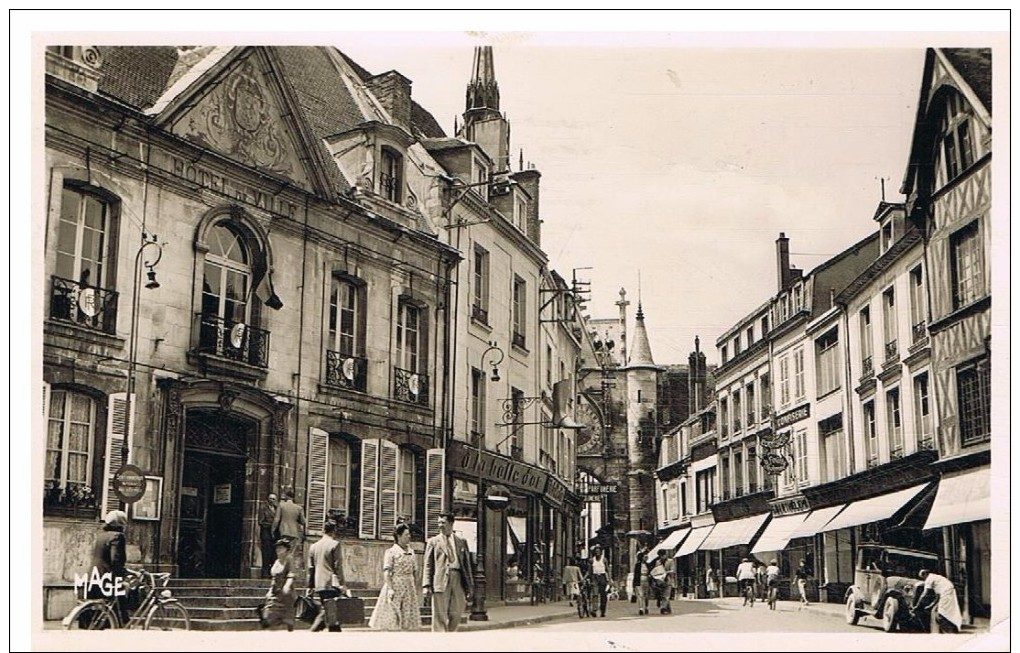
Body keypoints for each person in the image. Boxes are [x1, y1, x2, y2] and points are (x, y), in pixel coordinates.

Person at [421, 512, 474, 632]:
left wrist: (470, 586)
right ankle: (440, 639)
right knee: (440, 613)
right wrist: (426, 585)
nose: (440, 525)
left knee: (457, 611)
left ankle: (451, 634)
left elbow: (467, 564)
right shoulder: (433, 541)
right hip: (440, 579)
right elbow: (428, 564)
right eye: (439, 522)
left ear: (451, 523)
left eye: (443, 523)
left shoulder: (461, 541)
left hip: (458, 577)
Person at [369, 523, 421, 631]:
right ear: (399, 536)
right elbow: (387, 571)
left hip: (409, 585)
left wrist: (414, 585)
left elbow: (415, 570)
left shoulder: (411, 551)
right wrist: (390, 588)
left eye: (409, 534)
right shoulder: (391, 552)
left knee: (407, 612)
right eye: (406, 535)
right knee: (393, 612)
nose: (409, 537)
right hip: (396, 584)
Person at [85, 510, 129, 626]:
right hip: (107, 578)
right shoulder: (118, 536)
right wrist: (123, 574)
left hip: (93, 576)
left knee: (95, 614)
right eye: (124, 523)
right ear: (120, 524)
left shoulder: (100, 535)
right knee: (121, 608)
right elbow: (116, 560)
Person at [307, 520, 346, 632]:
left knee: (327, 607)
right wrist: (342, 584)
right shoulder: (335, 544)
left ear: (323, 530)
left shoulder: (313, 546)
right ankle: (324, 628)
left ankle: (326, 627)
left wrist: (310, 586)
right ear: (334, 531)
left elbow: (311, 569)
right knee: (329, 608)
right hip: (331, 582)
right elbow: (338, 566)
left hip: (319, 583)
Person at [912, 569, 962, 633]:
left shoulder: (929, 579)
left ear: (925, 574)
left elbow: (924, 594)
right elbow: (937, 596)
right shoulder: (936, 578)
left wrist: (917, 606)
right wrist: (931, 605)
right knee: (944, 613)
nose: (923, 580)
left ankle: (950, 632)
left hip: (946, 592)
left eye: (922, 578)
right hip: (947, 592)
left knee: (941, 614)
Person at [261, 539, 296, 631]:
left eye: (281, 548)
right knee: (269, 612)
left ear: (286, 549)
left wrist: (287, 586)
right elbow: (273, 577)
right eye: (277, 548)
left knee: (287, 613)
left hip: (285, 590)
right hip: (275, 589)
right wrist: (269, 590)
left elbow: (291, 574)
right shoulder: (276, 561)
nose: (278, 550)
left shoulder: (289, 558)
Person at [272, 489, 306, 567]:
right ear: (293, 498)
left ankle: (282, 570)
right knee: (291, 553)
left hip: (284, 531)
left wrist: (273, 530)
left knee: (282, 553)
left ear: (286, 496)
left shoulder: (281, 505)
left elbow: (276, 519)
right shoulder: (298, 508)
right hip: (294, 533)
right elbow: (303, 521)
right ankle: (289, 570)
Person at [259, 493, 279, 577]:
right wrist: (271, 525)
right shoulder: (263, 508)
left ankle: (272, 573)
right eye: (270, 498)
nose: (272, 500)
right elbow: (260, 521)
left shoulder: (277, 509)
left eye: (273, 499)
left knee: (274, 554)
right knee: (266, 553)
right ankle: (265, 573)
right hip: (266, 533)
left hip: (275, 534)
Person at [650, 549, 674, 614]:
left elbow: (672, 570)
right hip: (660, 581)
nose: (662, 557)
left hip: (667, 580)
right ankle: (667, 608)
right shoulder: (658, 562)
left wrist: (665, 573)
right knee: (664, 595)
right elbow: (656, 570)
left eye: (663, 555)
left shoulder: (670, 561)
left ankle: (663, 608)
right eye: (660, 556)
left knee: (666, 595)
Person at [589, 545, 611, 617]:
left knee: (603, 595)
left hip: (602, 577)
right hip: (595, 577)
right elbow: (589, 571)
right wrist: (584, 578)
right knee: (595, 594)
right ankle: (594, 610)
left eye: (598, 552)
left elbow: (608, 570)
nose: (597, 553)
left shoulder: (604, 560)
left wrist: (609, 580)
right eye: (596, 552)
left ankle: (603, 611)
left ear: (601, 552)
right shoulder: (592, 560)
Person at [632, 548, 650, 615]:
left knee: (646, 595)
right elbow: (635, 574)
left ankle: (646, 607)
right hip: (639, 580)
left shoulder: (648, 565)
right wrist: (634, 584)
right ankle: (641, 608)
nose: (646, 558)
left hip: (646, 579)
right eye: (644, 557)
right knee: (640, 595)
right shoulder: (637, 565)